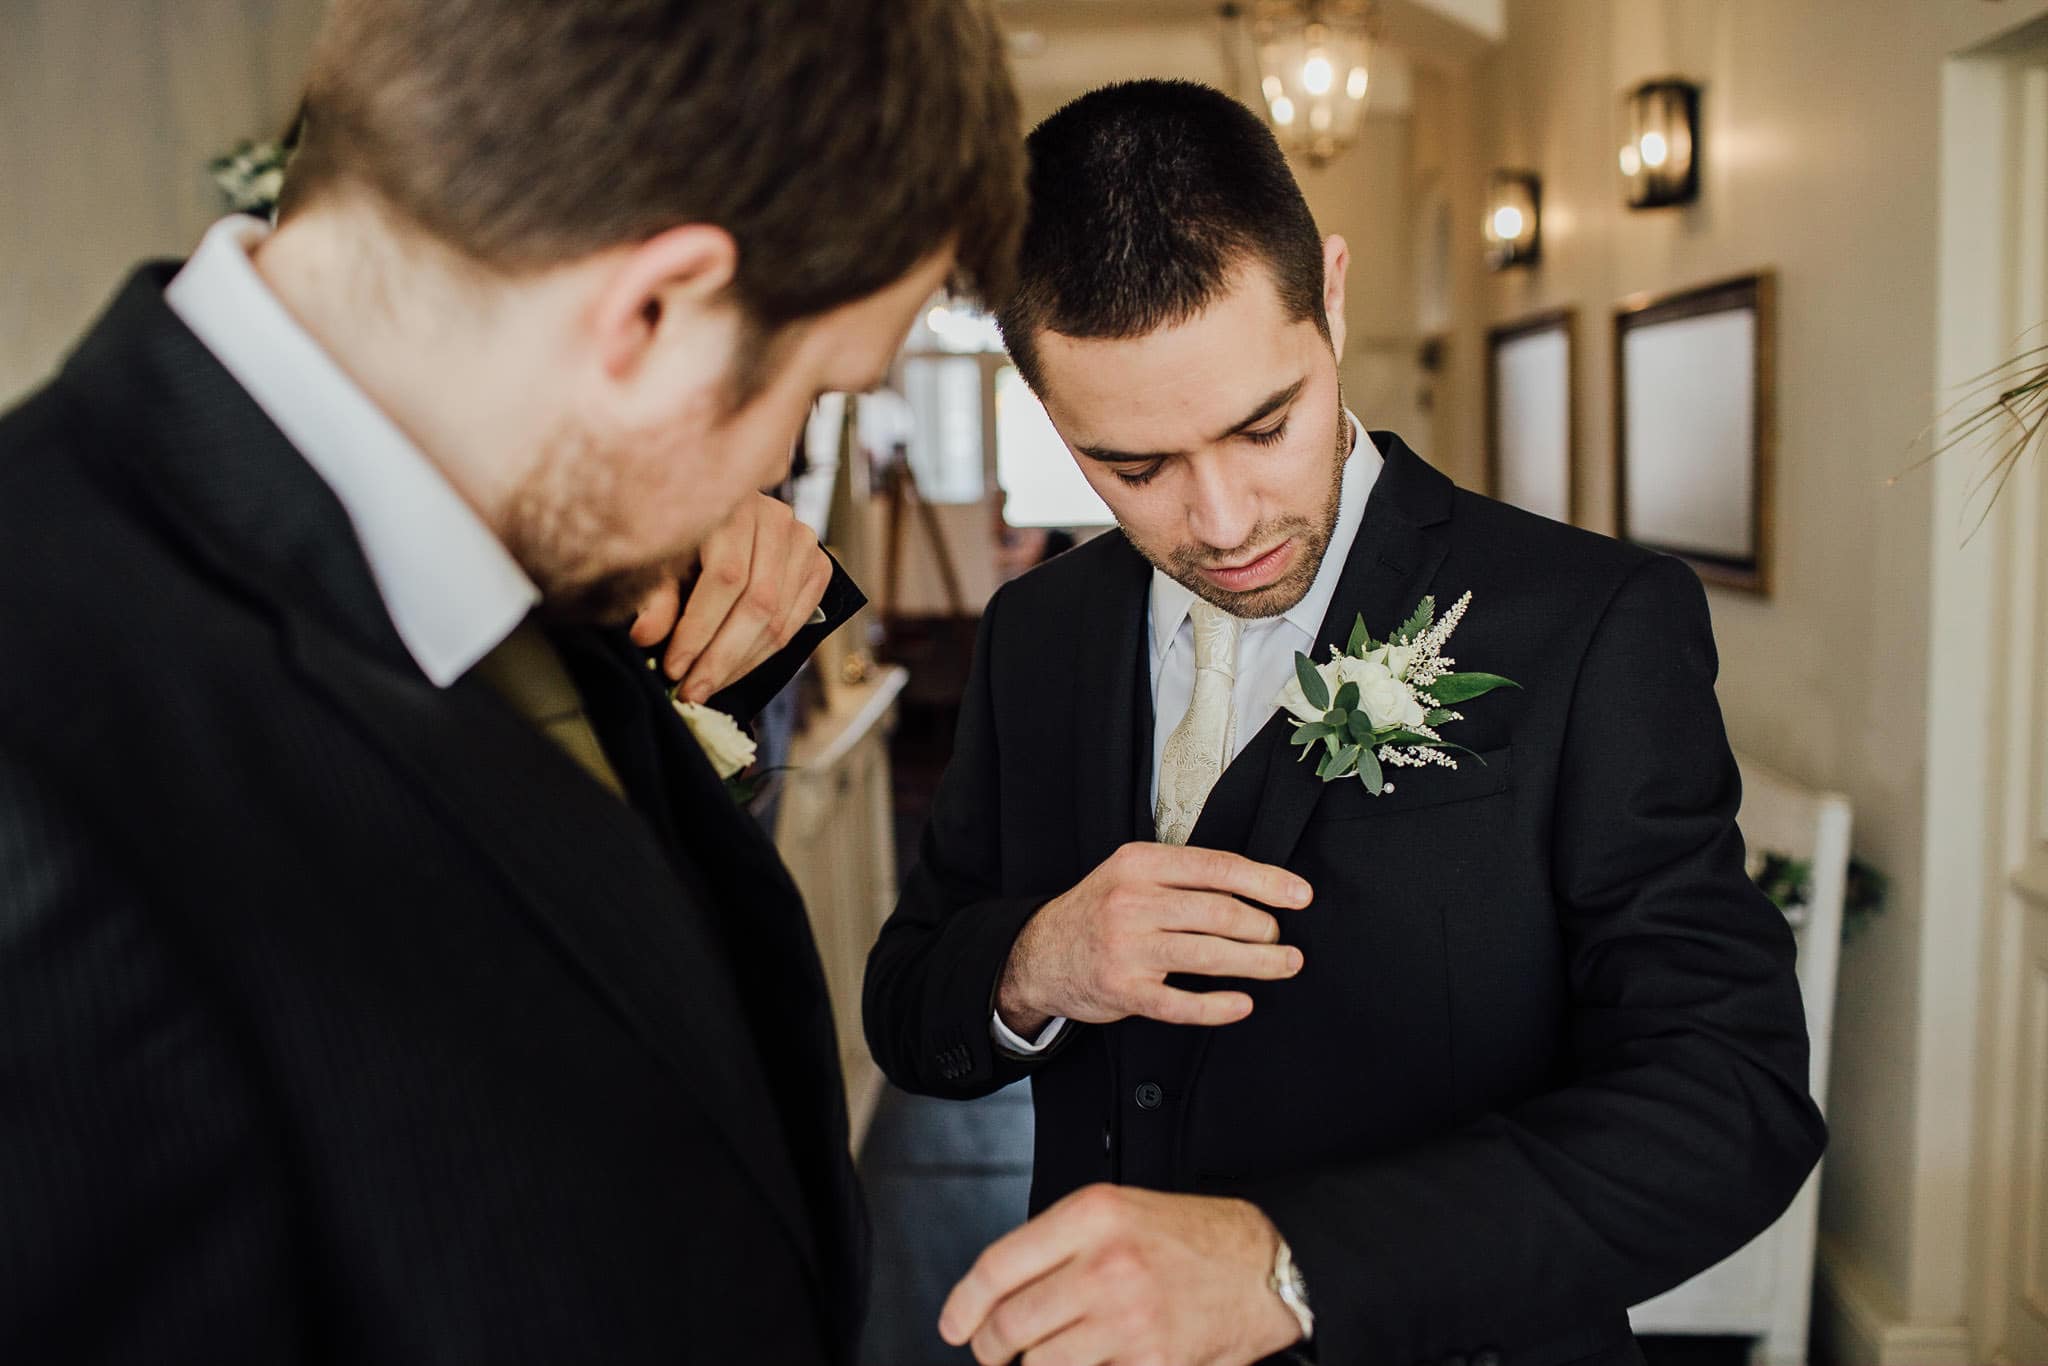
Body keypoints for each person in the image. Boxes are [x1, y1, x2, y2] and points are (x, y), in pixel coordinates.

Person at [0, 1, 1021, 1361]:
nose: (780, 467)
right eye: (816, 394)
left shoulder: (523, 549)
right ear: (651, 311)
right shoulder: (43, 783)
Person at [863, 79, 1825, 1366]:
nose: (1219, 519)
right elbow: (907, 1002)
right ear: (1041, 403)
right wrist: (1033, 963)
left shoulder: (1593, 622)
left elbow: (1730, 1103)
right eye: (1130, 467)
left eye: (1263, 424)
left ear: (1328, 288)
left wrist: (1287, 1265)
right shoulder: (1038, 632)